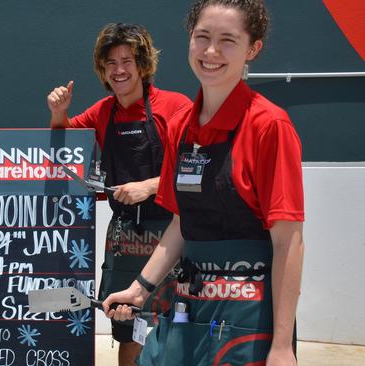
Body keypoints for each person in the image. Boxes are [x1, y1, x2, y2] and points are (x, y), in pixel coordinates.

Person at [103, 1, 304, 365]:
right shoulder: (182, 126)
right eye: (202, 37)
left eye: (228, 40)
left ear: (253, 49)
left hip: (248, 315)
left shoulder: (269, 125)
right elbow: (181, 224)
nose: (211, 51)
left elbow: (288, 241)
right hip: (187, 306)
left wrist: (280, 345)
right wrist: (139, 288)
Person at [48, 23, 191, 365]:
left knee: (175, 324)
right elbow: (65, 147)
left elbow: (196, 170)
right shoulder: (102, 112)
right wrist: (58, 112)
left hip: (172, 232)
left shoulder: (175, 106)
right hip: (124, 236)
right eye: (111, 63)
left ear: (142, 65)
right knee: (127, 324)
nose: (119, 70)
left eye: (126, 60)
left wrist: (151, 186)